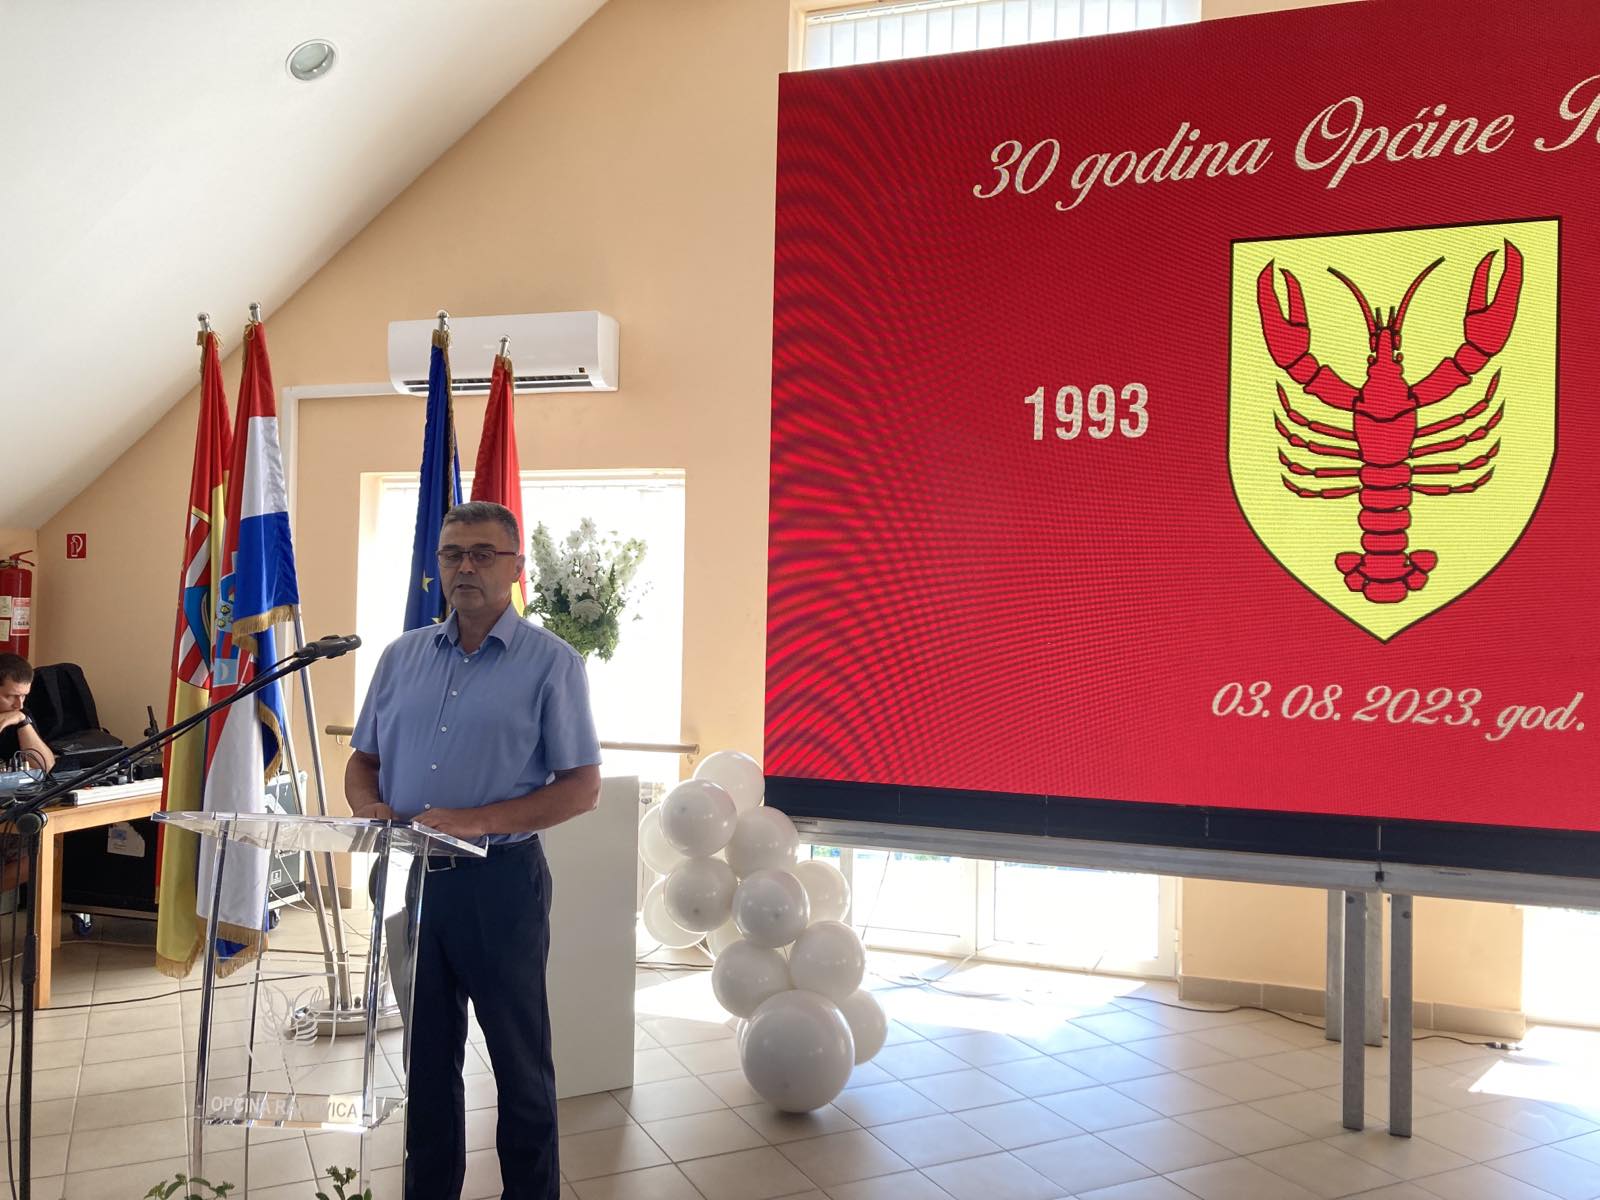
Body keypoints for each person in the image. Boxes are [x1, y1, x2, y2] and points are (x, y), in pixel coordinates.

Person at [345, 500, 601, 1200]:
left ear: (516, 568)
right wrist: (367, 807)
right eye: (453, 553)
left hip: (500, 885)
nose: (466, 567)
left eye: (483, 553)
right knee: (427, 1062)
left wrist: (475, 821)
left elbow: (581, 789)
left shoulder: (551, 664)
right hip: (410, 878)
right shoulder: (401, 658)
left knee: (520, 1066)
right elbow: (363, 761)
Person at [0, 653, 55, 774]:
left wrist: (23, 721)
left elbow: (45, 767)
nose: (19, 705)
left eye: (23, 696)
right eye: (11, 696)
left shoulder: (19, 713)